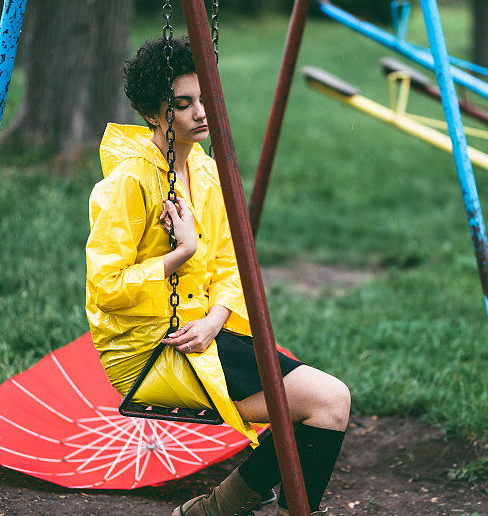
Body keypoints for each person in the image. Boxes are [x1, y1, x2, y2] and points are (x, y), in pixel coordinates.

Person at [85, 37, 350, 516]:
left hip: (202, 332)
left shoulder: (206, 173)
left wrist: (215, 319)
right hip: (151, 347)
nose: (200, 112)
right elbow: (107, 286)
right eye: (182, 105)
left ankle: (214, 511)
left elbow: (229, 266)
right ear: (151, 113)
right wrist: (182, 251)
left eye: (204, 97)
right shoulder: (128, 182)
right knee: (327, 401)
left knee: (326, 404)